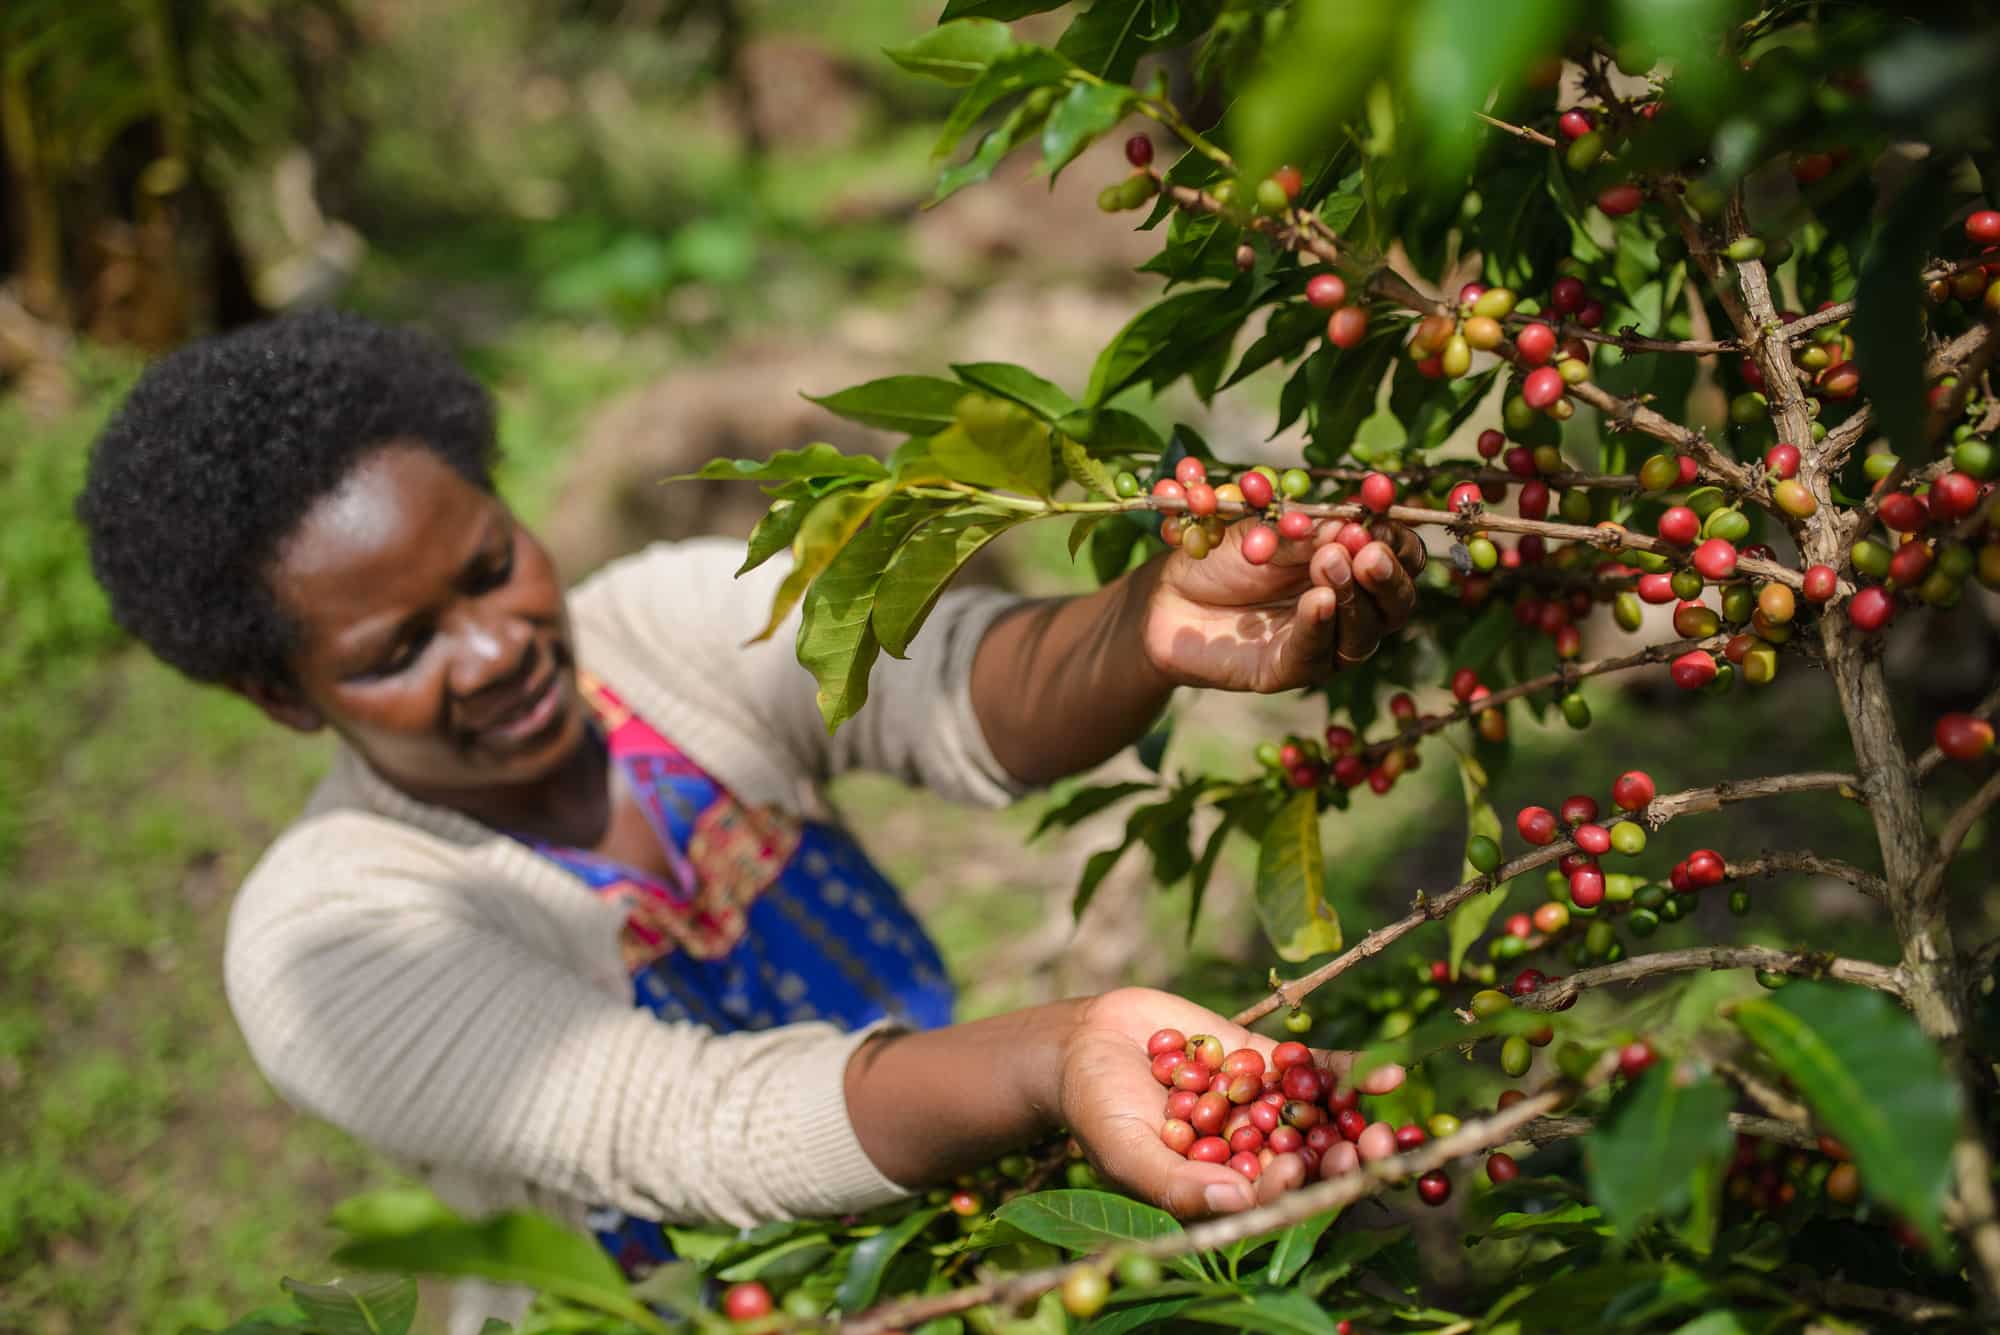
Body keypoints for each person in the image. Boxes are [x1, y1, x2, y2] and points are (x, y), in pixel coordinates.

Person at [75, 310, 1423, 1331]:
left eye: (492, 569)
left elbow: (958, 688)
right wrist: (1049, 1060)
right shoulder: (332, 940)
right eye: (397, 650)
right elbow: (688, 1126)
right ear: (281, 696)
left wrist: (1142, 629)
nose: (494, 652)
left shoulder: (664, 619)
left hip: (948, 1225)